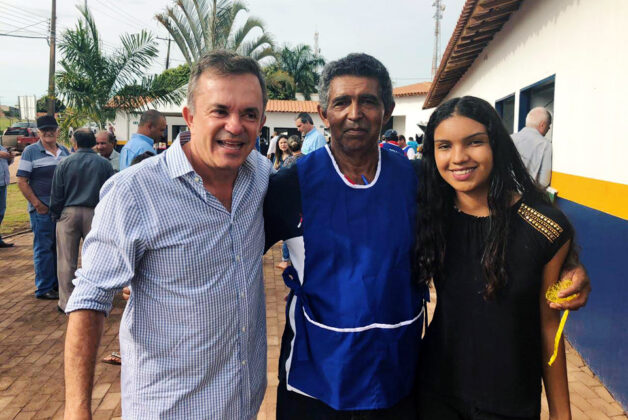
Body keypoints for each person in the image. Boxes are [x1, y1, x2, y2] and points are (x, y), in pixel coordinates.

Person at [264, 54, 591, 419]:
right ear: (324, 113)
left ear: (387, 111)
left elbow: (490, 214)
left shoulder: (419, 180)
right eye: (341, 102)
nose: (354, 113)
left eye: (368, 101)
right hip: (316, 381)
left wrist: (566, 261)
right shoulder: (289, 187)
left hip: (398, 377)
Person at [64, 50, 273, 419]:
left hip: (242, 404)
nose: (236, 125)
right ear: (190, 117)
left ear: (262, 121)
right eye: (220, 111)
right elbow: (90, 299)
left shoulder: (260, 175)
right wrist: (78, 411)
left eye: (249, 114)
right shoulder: (135, 191)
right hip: (169, 408)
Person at [416, 96, 572, 419]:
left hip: (511, 402)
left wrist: (561, 413)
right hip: (435, 394)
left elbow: (548, 328)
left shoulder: (545, 228)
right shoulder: (431, 216)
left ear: (496, 144)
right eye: (444, 146)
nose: (458, 157)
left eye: (474, 142)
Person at [49, 129, 114, 313]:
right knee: (95, 259)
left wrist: (55, 214)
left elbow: (57, 192)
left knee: (66, 260)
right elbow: (109, 192)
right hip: (95, 213)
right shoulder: (103, 164)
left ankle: (66, 302)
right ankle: (95, 298)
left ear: (75, 143)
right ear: (93, 143)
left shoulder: (64, 163)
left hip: (68, 213)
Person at [16, 115, 70, 300]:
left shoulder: (64, 151)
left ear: (57, 131)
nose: (48, 132)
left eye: (51, 129)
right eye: (44, 129)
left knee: (58, 248)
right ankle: (44, 287)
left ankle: (55, 284)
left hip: (60, 209)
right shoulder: (30, 151)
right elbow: (22, 181)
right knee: (43, 248)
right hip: (42, 209)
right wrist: (37, 204)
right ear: (38, 132)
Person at [512, 107, 553, 188]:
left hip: (503, 194)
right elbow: (544, 181)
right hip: (525, 196)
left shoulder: (509, 138)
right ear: (542, 125)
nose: (548, 128)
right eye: (548, 125)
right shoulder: (545, 145)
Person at [0, 144, 14, 247]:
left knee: (1, 212)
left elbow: (6, 163)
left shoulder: (1, 147)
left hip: (3, 183)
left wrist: (10, 157)